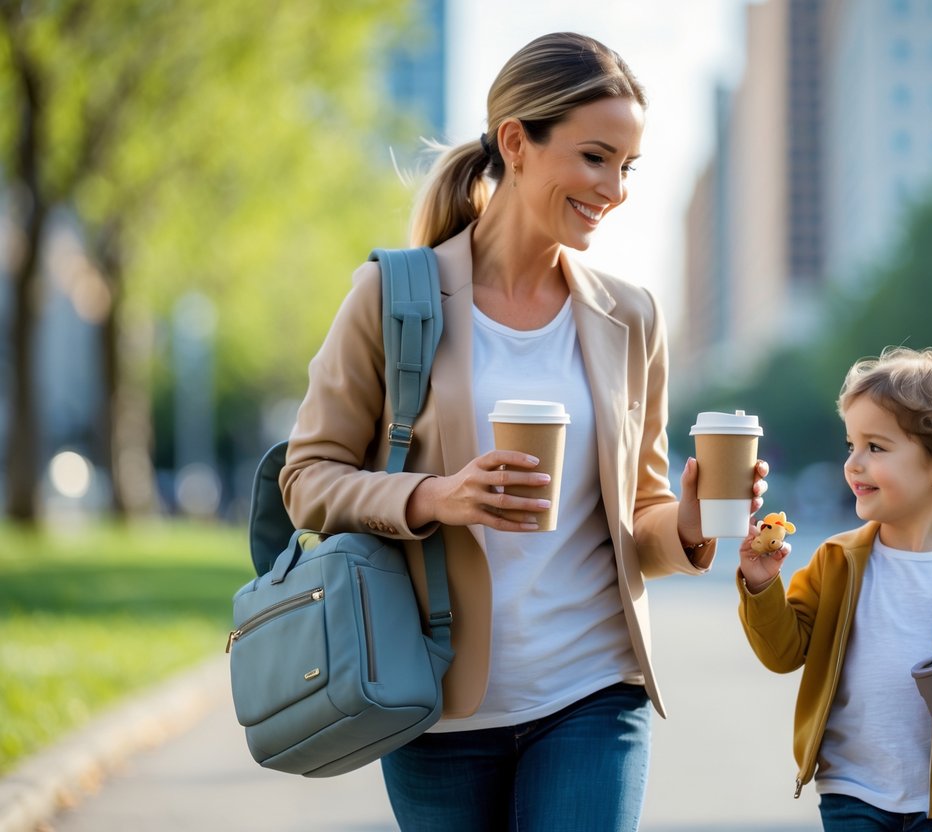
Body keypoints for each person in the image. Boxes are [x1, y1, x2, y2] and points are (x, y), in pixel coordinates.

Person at [279, 31, 768, 832]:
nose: (614, 189)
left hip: (593, 690)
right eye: (594, 157)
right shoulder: (393, 297)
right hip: (434, 697)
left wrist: (685, 520)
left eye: (627, 166)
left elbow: (638, 518)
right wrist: (436, 496)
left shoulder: (630, 315)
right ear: (515, 142)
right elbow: (307, 479)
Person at [736, 347, 932, 831]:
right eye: (851, 445)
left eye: (876, 448)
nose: (853, 464)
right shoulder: (836, 561)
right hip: (851, 789)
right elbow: (783, 653)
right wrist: (762, 586)